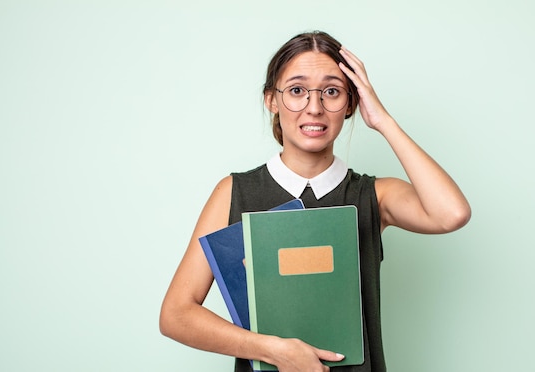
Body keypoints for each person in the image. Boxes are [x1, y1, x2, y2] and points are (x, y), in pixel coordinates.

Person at [159, 30, 471, 372]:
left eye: (332, 92)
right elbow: (176, 315)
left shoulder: (373, 196)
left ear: (351, 104)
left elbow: (451, 213)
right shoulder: (234, 192)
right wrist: (272, 350)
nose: (314, 107)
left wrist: (383, 121)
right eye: (296, 91)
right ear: (271, 101)